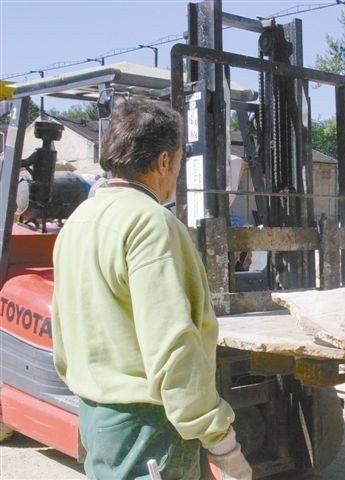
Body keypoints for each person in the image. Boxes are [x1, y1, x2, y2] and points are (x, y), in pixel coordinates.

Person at [51, 97, 251, 480]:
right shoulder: (150, 222)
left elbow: (61, 333)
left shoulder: (78, 221)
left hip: (98, 418)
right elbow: (172, 344)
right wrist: (222, 443)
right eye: (176, 164)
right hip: (149, 428)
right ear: (163, 162)